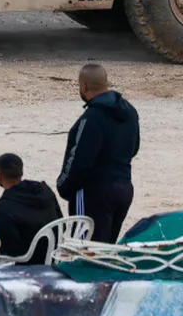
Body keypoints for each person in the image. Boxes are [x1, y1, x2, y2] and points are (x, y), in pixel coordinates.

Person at [55, 63, 140, 244]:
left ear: (83, 86)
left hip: (94, 193)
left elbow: (79, 162)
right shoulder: (130, 112)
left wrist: (63, 186)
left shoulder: (91, 118)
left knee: (86, 252)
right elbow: (134, 148)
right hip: (124, 188)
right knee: (105, 251)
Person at [0, 153, 63, 264]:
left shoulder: (4, 208)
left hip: (26, 265)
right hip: (54, 259)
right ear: (21, 173)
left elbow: (10, 251)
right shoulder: (46, 191)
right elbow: (61, 223)